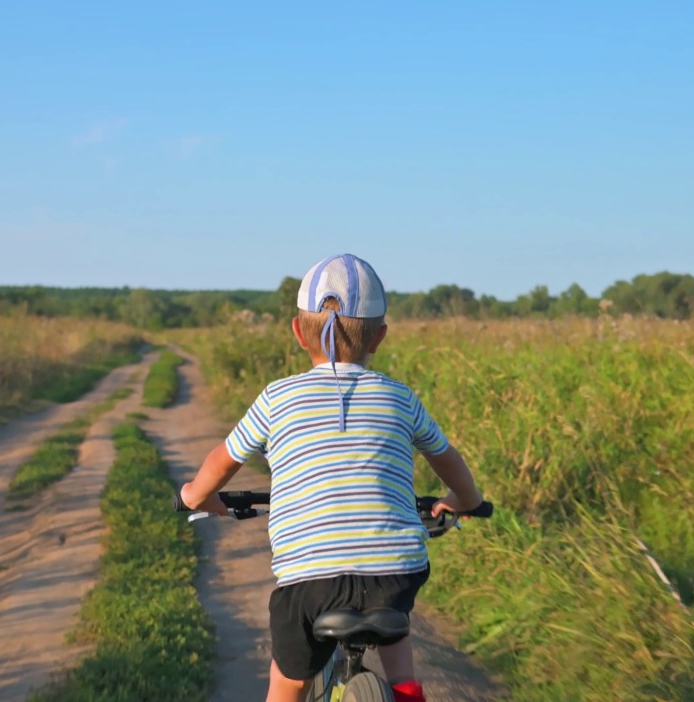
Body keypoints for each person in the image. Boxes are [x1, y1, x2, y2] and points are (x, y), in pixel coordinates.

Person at [178, 254, 485, 702]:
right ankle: (406, 691)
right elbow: (447, 458)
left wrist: (195, 496)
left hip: (309, 579)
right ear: (379, 337)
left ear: (298, 332)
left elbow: (222, 462)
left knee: (288, 678)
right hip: (394, 572)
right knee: (395, 624)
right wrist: (465, 501)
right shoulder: (400, 397)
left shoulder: (276, 398)